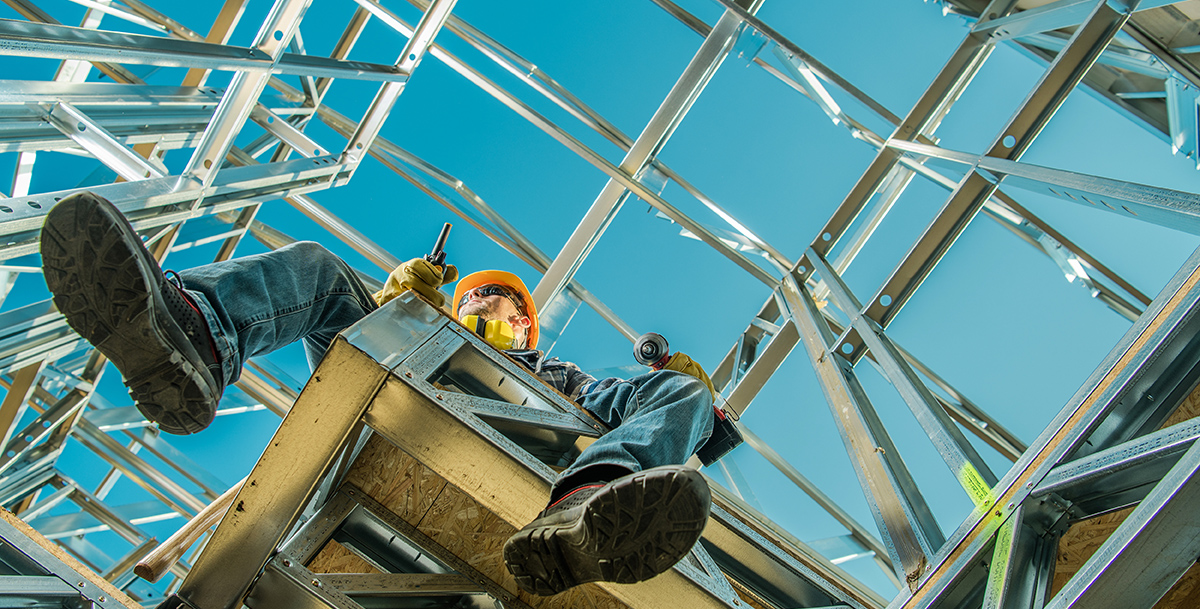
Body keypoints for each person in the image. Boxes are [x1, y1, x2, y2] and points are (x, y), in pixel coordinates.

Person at [40, 191, 718, 596]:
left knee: (679, 392)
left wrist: (691, 409)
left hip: (527, 460)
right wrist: (401, 309)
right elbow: (380, 334)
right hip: (386, 406)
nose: (486, 301)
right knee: (319, 269)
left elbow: (649, 411)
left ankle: (579, 510)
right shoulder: (430, 322)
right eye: (477, 292)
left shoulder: (559, 379)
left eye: (505, 302)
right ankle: (191, 341)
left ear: (525, 324)